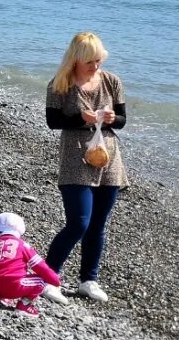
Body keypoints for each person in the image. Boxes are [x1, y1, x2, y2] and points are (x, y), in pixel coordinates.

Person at [40, 32, 128, 306]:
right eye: (90, 61)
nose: (96, 66)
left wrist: (114, 118)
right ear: (76, 59)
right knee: (79, 222)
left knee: (98, 224)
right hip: (75, 159)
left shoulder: (112, 81)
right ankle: (48, 277)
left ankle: (88, 280)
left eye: (99, 60)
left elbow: (123, 120)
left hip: (109, 158)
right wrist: (81, 117)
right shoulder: (59, 84)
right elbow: (53, 121)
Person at [0, 212, 63, 317]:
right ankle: (24, 306)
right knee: (41, 280)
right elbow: (41, 267)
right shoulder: (23, 246)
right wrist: (56, 281)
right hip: (13, 287)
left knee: (0, 270)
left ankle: (1, 297)